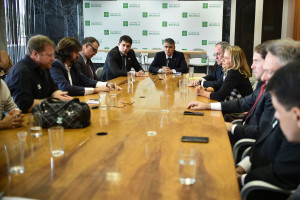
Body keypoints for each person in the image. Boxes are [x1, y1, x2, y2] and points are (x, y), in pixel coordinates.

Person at [235, 39, 300, 200]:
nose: (264, 77)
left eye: (269, 72)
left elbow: (281, 173)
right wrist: (240, 169)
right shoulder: (283, 101)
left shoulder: (289, 110)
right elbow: (263, 144)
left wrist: (238, 179)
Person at [187, 41, 274, 141]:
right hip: (242, 124)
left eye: (256, 61)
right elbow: (242, 102)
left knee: (208, 133)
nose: (252, 66)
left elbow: (261, 133)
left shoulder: (273, 94)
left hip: (243, 131)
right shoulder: (261, 84)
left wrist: (231, 127)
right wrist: (206, 105)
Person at [5, 35, 72, 113]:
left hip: (42, 114)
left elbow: (53, 89)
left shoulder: (44, 67)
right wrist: (53, 101)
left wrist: (61, 97)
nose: (53, 59)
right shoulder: (21, 71)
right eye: (49, 55)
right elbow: (24, 105)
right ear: (35, 54)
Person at [50, 37, 118, 96]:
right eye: (76, 52)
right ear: (68, 52)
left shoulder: (72, 63)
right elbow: (66, 88)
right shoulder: (56, 64)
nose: (78, 55)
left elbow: (84, 80)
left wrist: (106, 84)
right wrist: (95, 90)